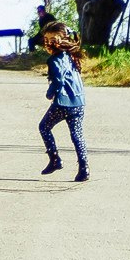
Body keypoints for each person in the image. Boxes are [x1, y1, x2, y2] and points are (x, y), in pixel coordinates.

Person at [37, 15, 90, 182]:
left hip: (63, 103)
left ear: (61, 39)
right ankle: (84, 168)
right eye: (46, 39)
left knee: (44, 127)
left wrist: (50, 93)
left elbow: (58, 79)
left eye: (51, 39)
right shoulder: (71, 55)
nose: (48, 43)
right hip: (79, 102)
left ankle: (55, 159)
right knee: (77, 134)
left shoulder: (54, 59)